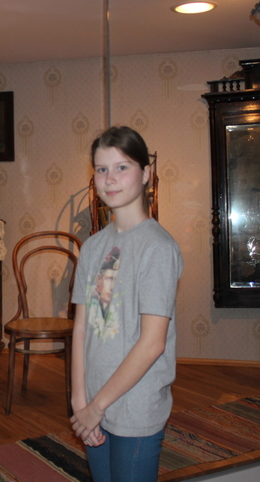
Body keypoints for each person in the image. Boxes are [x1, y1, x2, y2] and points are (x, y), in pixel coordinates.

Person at [71, 126, 183, 482]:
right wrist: (79, 401)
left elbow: (152, 344)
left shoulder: (157, 247)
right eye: (102, 169)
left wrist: (96, 406)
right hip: (93, 403)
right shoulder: (92, 248)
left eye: (122, 167)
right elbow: (81, 328)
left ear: (146, 174)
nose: (110, 179)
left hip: (135, 407)